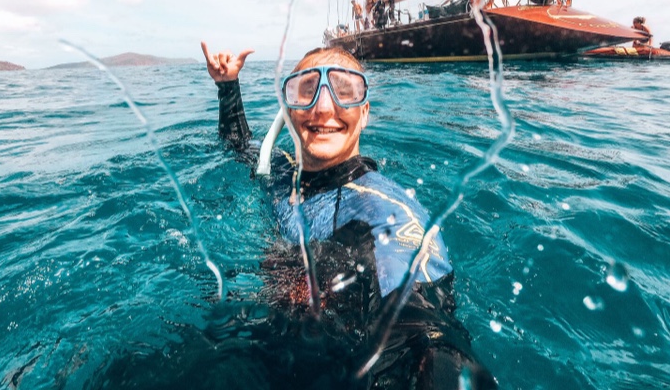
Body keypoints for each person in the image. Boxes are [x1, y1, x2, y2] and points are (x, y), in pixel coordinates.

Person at [200, 42, 496, 389]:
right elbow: (237, 145)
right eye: (306, 90)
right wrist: (228, 87)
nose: (324, 108)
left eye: (345, 91)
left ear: (365, 112)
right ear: (290, 110)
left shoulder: (384, 213)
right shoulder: (280, 168)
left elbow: (424, 333)